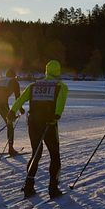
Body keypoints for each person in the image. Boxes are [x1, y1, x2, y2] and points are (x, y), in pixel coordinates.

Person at [8, 60, 68, 198]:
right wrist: (56, 115)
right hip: (49, 123)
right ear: (58, 71)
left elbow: (20, 100)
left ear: (46, 70)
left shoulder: (34, 85)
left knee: (36, 153)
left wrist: (12, 112)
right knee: (54, 155)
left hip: (33, 122)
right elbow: (60, 103)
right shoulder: (60, 86)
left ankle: (29, 186)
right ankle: (53, 188)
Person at [0, 68, 22, 156]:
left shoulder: (0, 80)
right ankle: (11, 148)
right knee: (9, 124)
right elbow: (18, 98)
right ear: (14, 76)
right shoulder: (14, 81)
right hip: (2, 104)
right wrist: (20, 109)